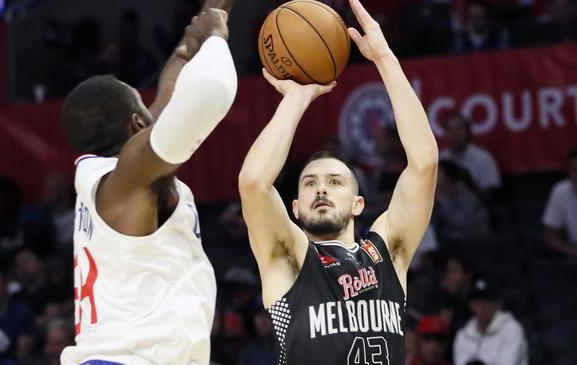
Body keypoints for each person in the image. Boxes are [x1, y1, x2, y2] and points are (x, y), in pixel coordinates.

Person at [237, 1, 438, 363]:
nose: (321, 189)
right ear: (294, 209)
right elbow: (253, 182)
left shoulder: (388, 254)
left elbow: (424, 163)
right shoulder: (289, 259)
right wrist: (296, 99)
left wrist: (385, 59)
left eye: (335, 181)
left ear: (359, 203)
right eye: (310, 183)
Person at [58, 0, 237, 364]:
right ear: (137, 126)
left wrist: (208, 23)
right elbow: (210, 93)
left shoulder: (114, 174)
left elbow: (174, 91)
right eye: (144, 106)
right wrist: (217, 37)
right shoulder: (128, 179)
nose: (155, 111)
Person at [453, 278, 528, 365]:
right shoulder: (463, 334)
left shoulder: (512, 329)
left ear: (498, 304)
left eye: (487, 301)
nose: (482, 307)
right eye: (478, 302)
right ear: (471, 305)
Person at [439, 112, 501, 200]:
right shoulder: (441, 158)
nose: (455, 134)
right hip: (445, 209)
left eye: (459, 129)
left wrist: (470, 184)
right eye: (450, 129)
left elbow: (492, 194)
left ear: (468, 131)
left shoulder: (483, 158)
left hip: (475, 208)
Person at [542, 149, 577, 257]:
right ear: (568, 171)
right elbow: (550, 235)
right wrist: (572, 252)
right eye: (574, 170)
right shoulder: (560, 191)